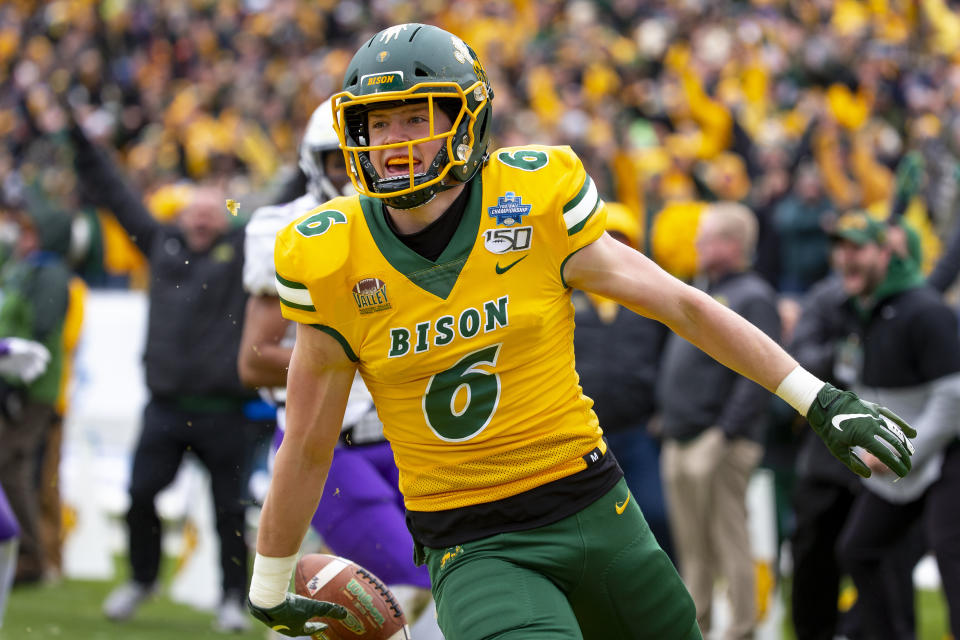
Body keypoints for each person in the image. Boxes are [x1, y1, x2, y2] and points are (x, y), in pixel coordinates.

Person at [246, 24, 916, 640]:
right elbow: (306, 443)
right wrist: (270, 581)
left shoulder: (531, 201)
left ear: (464, 118)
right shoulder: (333, 255)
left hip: (595, 508)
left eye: (414, 118)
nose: (393, 141)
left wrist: (814, 396)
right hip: (472, 540)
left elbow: (681, 306)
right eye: (376, 123)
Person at [238, 98, 438, 632]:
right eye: (339, 161)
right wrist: (358, 359)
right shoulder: (290, 230)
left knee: (453, 576)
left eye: (362, 158)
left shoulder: (416, 222)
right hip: (329, 446)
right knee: (409, 583)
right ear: (312, 164)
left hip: (403, 441)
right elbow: (255, 360)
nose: (352, 174)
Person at [65, 121, 258, 632]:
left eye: (210, 214)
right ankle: (143, 579)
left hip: (224, 411)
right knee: (140, 497)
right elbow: (115, 195)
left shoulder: (240, 250)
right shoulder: (160, 243)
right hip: (166, 407)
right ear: (180, 216)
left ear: (222, 222)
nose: (199, 220)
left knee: (229, 514)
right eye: (193, 212)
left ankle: (231, 600)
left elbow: (274, 202)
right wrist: (81, 142)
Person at [827, 211, 960, 639]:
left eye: (857, 248)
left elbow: (954, 396)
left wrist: (902, 450)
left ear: (887, 253)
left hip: (947, 454)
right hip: (897, 461)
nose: (845, 258)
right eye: (840, 248)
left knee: (951, 558)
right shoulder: (856, 311)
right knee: (857, 550)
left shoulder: (925, 311)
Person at [656, 201, 780, 640]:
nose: (695, 243)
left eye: (704, 236)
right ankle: (700, 626)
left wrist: (724, 433)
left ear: (730, 245)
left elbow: (758, 377)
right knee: (692, 548)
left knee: (730, 542)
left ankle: (742, 629)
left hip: (721, 442)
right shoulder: (704, 287)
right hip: (682, 436)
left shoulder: (753, 295)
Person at [570, 202, 673, 561]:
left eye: (621, 238)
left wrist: (664, 408)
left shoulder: (648, 298)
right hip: (584, 435)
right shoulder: (566, 294)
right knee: (591, 528)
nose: (612, 245)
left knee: (657, 515)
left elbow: (670, 358)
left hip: (639, 429)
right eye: (604, 237)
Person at [0, 191, 71, 586]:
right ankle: (28, 556)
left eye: (30, 231)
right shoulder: (26, 267)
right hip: (15, 379)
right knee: (14, 468)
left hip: (31, 385)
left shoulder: (50, 272)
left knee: (10, 466)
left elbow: (39, 332)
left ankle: (28, 556)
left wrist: (13, 384)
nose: (21, 237)